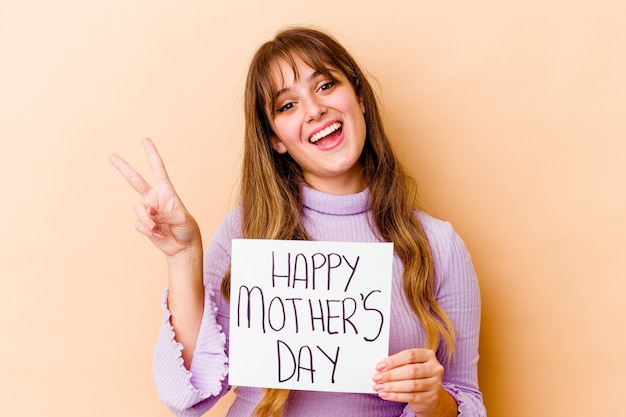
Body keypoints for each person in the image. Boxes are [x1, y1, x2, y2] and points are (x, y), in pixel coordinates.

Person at [110, 27, 485, 417]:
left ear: (359, 96)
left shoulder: (439, 245)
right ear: (276, 140)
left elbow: (467, 401)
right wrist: (183, 257)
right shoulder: (245, 231)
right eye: (286, 105)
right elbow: (189, 395)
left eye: (324, 86)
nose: (313, 110)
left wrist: (434, 401)